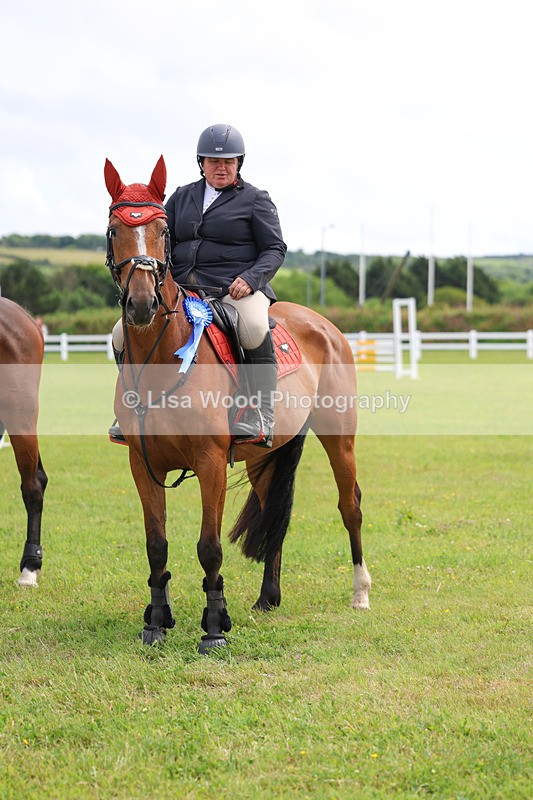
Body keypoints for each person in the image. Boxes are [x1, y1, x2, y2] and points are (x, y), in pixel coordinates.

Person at [109, 124, 287, 447]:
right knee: (120, 333)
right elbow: (160, 238)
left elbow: (275, 248)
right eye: (213, 161)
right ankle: (132, 405)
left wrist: (250, 279)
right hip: (183, 291)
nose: (221, 168)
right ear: (201, 163)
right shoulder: (182, 197)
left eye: (229, 162)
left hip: (233, 291)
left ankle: (260, 412)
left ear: (239, 163)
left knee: (253, 327)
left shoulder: (255, 200)